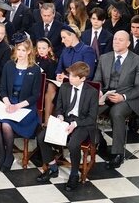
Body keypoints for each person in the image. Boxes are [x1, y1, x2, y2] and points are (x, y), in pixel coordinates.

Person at [36, 61, 99, 191]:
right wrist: (60, 116)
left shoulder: (91, 92)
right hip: (66, 120)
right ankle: (53, 167)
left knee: (73, 144)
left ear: (82, 78)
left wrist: (75, 124)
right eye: (69, 75)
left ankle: (74, 174)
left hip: (82, 123)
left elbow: (91, 118)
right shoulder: (64, 87)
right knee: (41, 137)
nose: (69, 78)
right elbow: (58, 107)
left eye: (73, 76)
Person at [93, 30, 139, 169]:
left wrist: (123, 97)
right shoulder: (104, 58)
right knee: (89, 109)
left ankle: (118, 154)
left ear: (128, 43)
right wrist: (99, 91)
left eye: (120, 40)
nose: (116, 41)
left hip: (127, 98)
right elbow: (97, 80)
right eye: (115, 39)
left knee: (116, 113)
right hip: (106, 96)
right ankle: (98, 140)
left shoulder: (138, 61)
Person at [0, 38, 42, 171]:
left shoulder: (35, 70)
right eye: (18, 50)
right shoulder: (9, 65)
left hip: (25, 107)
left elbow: (35, 95)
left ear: (29, 51)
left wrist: (17, 106)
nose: (20, 53)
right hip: (8, 103)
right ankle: (2, 155)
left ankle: (9, 156)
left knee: (6, 125)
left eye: (23, 50)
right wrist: (8, 104)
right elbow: (3, 90)